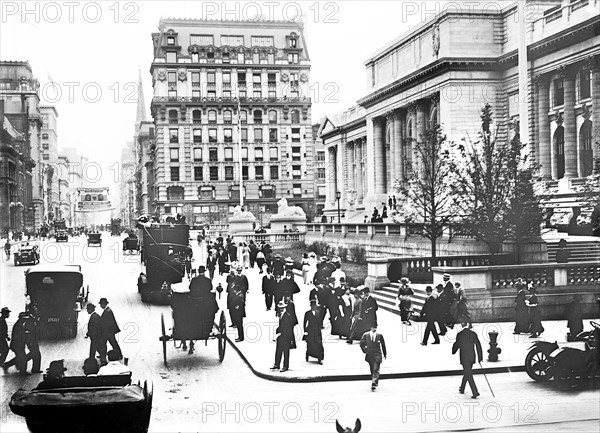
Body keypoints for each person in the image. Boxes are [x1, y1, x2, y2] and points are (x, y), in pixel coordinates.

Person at [452, 322, 483, 399]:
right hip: (471, 356)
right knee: (467, 372)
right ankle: (462, 388)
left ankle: (475, 392)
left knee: (468, 373)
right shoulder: (473, 334)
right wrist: (480, 357)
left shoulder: (460, 334)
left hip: (464, 356)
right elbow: (478, 345)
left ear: (462, 326)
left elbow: (457, 344)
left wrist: (453, 350)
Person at [271, 300, 298, 372]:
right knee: (278, 350)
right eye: (280, 308)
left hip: (286, 337)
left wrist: (291, 339)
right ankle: (276, 364)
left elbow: (289, 328)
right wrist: (277, 332)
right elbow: (281, 326)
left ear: (285, 307)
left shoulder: (288, 316)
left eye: (282, 308)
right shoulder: (281, 315)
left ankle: (285, 366)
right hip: (280, 336)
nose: (281, 309)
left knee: (286, 352)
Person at [360, 324, 387, 391]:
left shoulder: (379, 335)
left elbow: (383, 345)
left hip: (377, 354)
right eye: (373, 327)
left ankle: (374, 383)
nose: (374, 329)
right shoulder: (366, 335)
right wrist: (365, 350)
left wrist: (385, 353)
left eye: (375, 327)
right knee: (372, 369)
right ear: (371, 328)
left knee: (376, 369)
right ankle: (374, 379)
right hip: (369, 354)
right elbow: (361, 344)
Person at [303, 300, 324, 364]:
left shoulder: (318, 312)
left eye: (315, 306)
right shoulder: (307, 313)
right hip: (310, 331)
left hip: (317, 331)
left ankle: (319, 359)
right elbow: (305, 322)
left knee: (319, 345)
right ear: (311, 306)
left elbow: (320, 322)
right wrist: (305, 331)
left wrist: (320, 329)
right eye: (313, 306)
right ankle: (308, 355)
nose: (314, 307)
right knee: (310, 344)